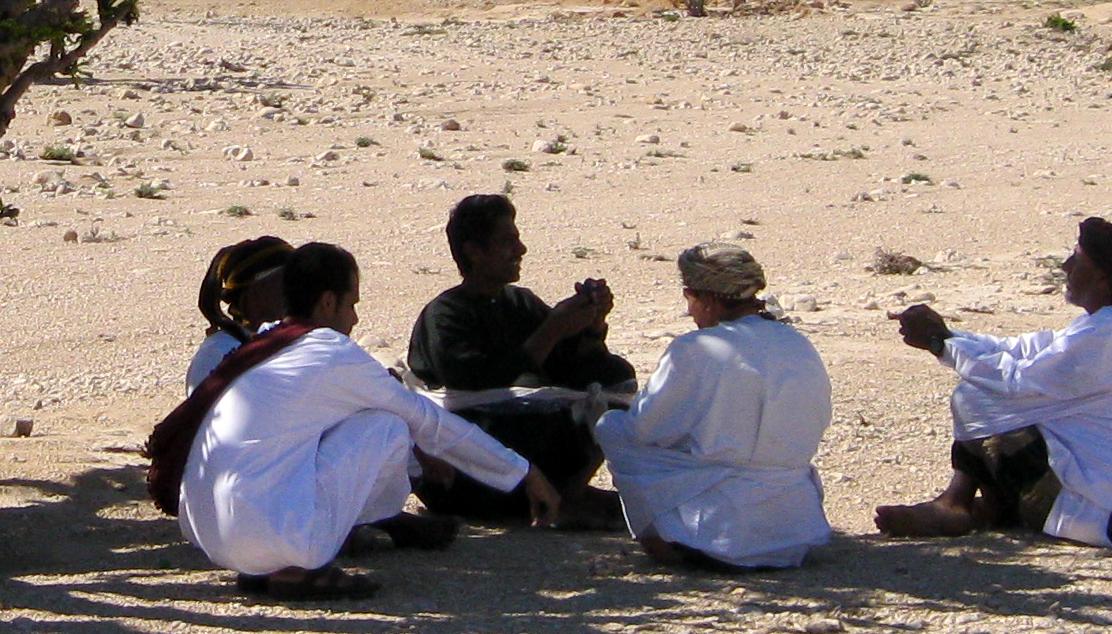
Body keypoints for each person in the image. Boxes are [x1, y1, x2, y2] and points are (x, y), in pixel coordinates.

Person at [174, 241, 560, 598]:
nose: (355, 318)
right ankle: (297, 568)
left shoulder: (261, 345)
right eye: (351, 305)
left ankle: (271, 561)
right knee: (388, 424)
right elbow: (427, 421)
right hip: (267, 534)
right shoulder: (331, 351)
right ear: (328, 304)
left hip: (212, 537)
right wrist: (523, 472)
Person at [874, 216, 1112, 546]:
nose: (1066, 265)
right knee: (989, 390)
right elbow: (1021, 350)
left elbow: (1017, 383)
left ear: (1101, 274)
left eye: (1077, 257)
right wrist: (947, 338)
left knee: (977, 395)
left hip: (1096, 509)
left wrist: (939, 343)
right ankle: (991, 506)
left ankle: (955, 504)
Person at [594, 243, 833, 568]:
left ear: (707, 299)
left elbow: (645, 429)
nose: (690, 311)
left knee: (613, 429)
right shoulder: (797, 342)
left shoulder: (695, 349)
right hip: (794, 530)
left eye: (690, 298)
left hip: (721, 533)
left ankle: (666, 541)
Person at [406, 193, 633, 527]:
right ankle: (556, 500)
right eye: (507, 242)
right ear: (474, 252)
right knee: (529, 407)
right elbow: (477, 384)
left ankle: (567, 492)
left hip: (523, 449)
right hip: (467, 469)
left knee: (615, 377)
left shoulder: (519, 302)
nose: (520, 250)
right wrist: (552, 330)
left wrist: (590, 326)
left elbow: (571, 366)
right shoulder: (446, 315)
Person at [184, 235, 294, 393]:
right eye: (287, 282)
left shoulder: (286, 339)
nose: (298, 291)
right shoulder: (219, 353)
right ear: (255, 292)